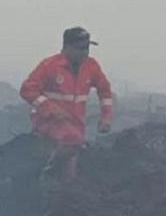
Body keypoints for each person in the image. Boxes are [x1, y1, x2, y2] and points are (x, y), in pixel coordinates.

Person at [19, 27, 113, 179]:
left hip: (76, 125)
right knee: (71, 141)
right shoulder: (49, 65)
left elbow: (105, 91)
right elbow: (27, 90)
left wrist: (106, 117)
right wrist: (49, 108)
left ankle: (64, 186)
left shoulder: (91, 66)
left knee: (74, 162)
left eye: (87, 48)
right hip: (49, 122)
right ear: (67, 47)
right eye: (80, 48)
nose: (85, 52)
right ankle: (47, 172)